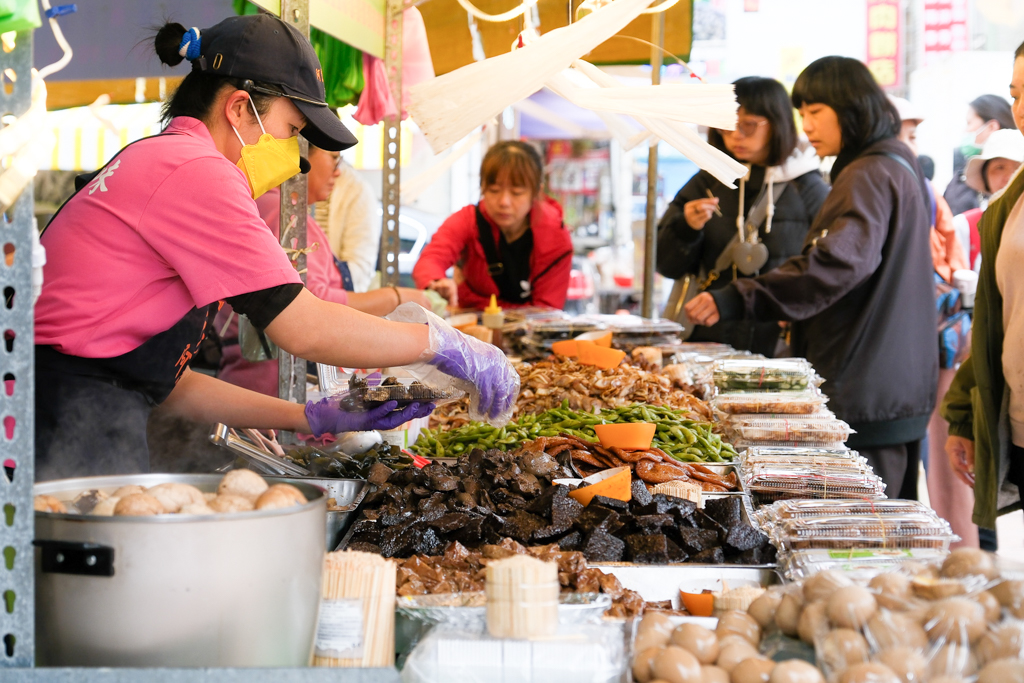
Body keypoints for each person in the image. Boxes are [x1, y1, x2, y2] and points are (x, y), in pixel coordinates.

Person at [32, 16, 516, 481]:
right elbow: (302, 324)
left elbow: (161, 381)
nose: (295, 154)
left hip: (76, 403)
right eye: (292, 130)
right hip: (60, 415)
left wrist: (309, 417)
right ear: (240, 108)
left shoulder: (159, 157)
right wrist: (440, 343)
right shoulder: (196, 170)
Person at [685, 56, 937, 500]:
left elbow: (834, 265)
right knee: (881, 533)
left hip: (866, 382)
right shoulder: (893, 165)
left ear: (852, 107)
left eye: (816, 112)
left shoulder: (870, 172)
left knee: (856, 534)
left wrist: (740, 296)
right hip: (889, 382)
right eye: (803, 114)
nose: (808, 126)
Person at [216, 143, 430, 396]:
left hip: (256, 382)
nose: (338, 172)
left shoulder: (266, 206)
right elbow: (313, 304)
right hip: (275, 387)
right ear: (301, 158)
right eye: (334, 159)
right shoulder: (282, 215)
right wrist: (396, 298)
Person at [655, 77, 829, 356]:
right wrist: (686, 229)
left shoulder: (808, 188)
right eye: (726, 124)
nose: (736, 135)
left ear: (778, 122)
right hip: (707, 342)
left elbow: (825, 271)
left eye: (749, 125)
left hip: (780, 347)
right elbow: (666, 265)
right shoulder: (707, 182)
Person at [942, 42, 1024, 535]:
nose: (1023, 106)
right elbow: (997, 317)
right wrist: (961, 415)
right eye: (1017, 92)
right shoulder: (1010, 203)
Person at [413, 141, 573, 310]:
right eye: (494, 190)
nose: (504, 202)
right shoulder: (468, 220)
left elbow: (546, 311)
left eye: (516, 192)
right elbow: (431, 259)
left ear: (536, 192)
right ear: (482, 187)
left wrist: (467, 295)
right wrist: (437, 283)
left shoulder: (557, 238)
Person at [953, 129, 1024, 271]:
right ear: (985, 177)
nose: (1009, 177)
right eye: (999, 168)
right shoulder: (965, 226)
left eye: (1018, 168)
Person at [944, 94, 1016, 216]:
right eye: (999, 168)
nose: (1007, 177)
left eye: (969, 123)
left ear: (992, 127)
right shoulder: (962, 174)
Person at [325, 159, 380, 293]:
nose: (337, 171)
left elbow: (359, 271)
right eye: (332, 158)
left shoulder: (356, 189)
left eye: (337, 159)